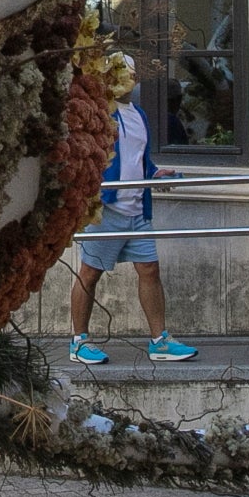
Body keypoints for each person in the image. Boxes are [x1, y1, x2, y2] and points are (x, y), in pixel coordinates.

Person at [68, 57, 197, 365]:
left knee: (150, 269)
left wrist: (156, 174)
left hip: (138, 208)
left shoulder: (139, 114)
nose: (126, 80)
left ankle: (159, 340)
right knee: (90, 272)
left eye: (130, 74)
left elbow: (140, 160)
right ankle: (79, 341)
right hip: (107, 208)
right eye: (119, 73)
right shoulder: (99, 112)